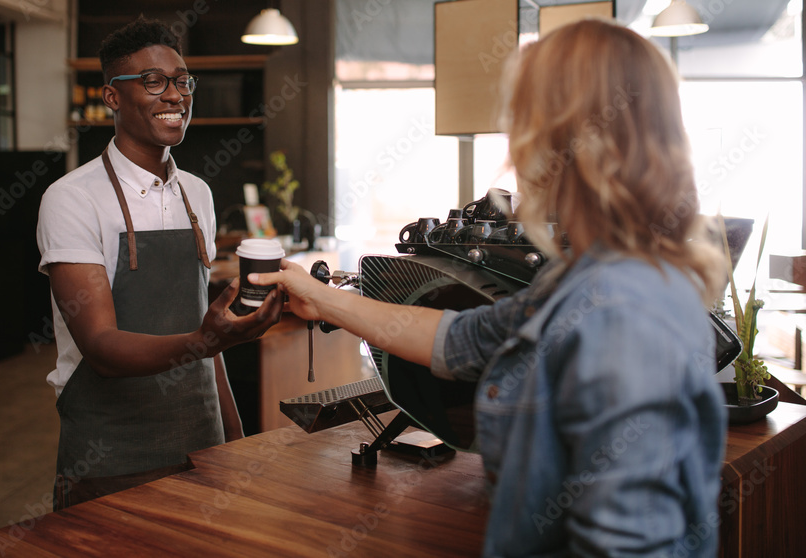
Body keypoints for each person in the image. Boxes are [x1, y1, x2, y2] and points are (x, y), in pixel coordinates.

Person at [252, 19, 727, 557]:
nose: (515, 150)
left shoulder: (619, 311)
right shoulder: (593, 279)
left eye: (524, 122)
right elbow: (463, 339)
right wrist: (320, 298)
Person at [37, 16, 282, 510]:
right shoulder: (72, 199)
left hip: (203, 444)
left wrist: (234, 440)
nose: (175, 95)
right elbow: (102, 349)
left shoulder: (199, 194)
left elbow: (204, 337)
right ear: (112, 97)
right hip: (110, 456)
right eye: (153, 81)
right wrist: (205, 339)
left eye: (182, 80)